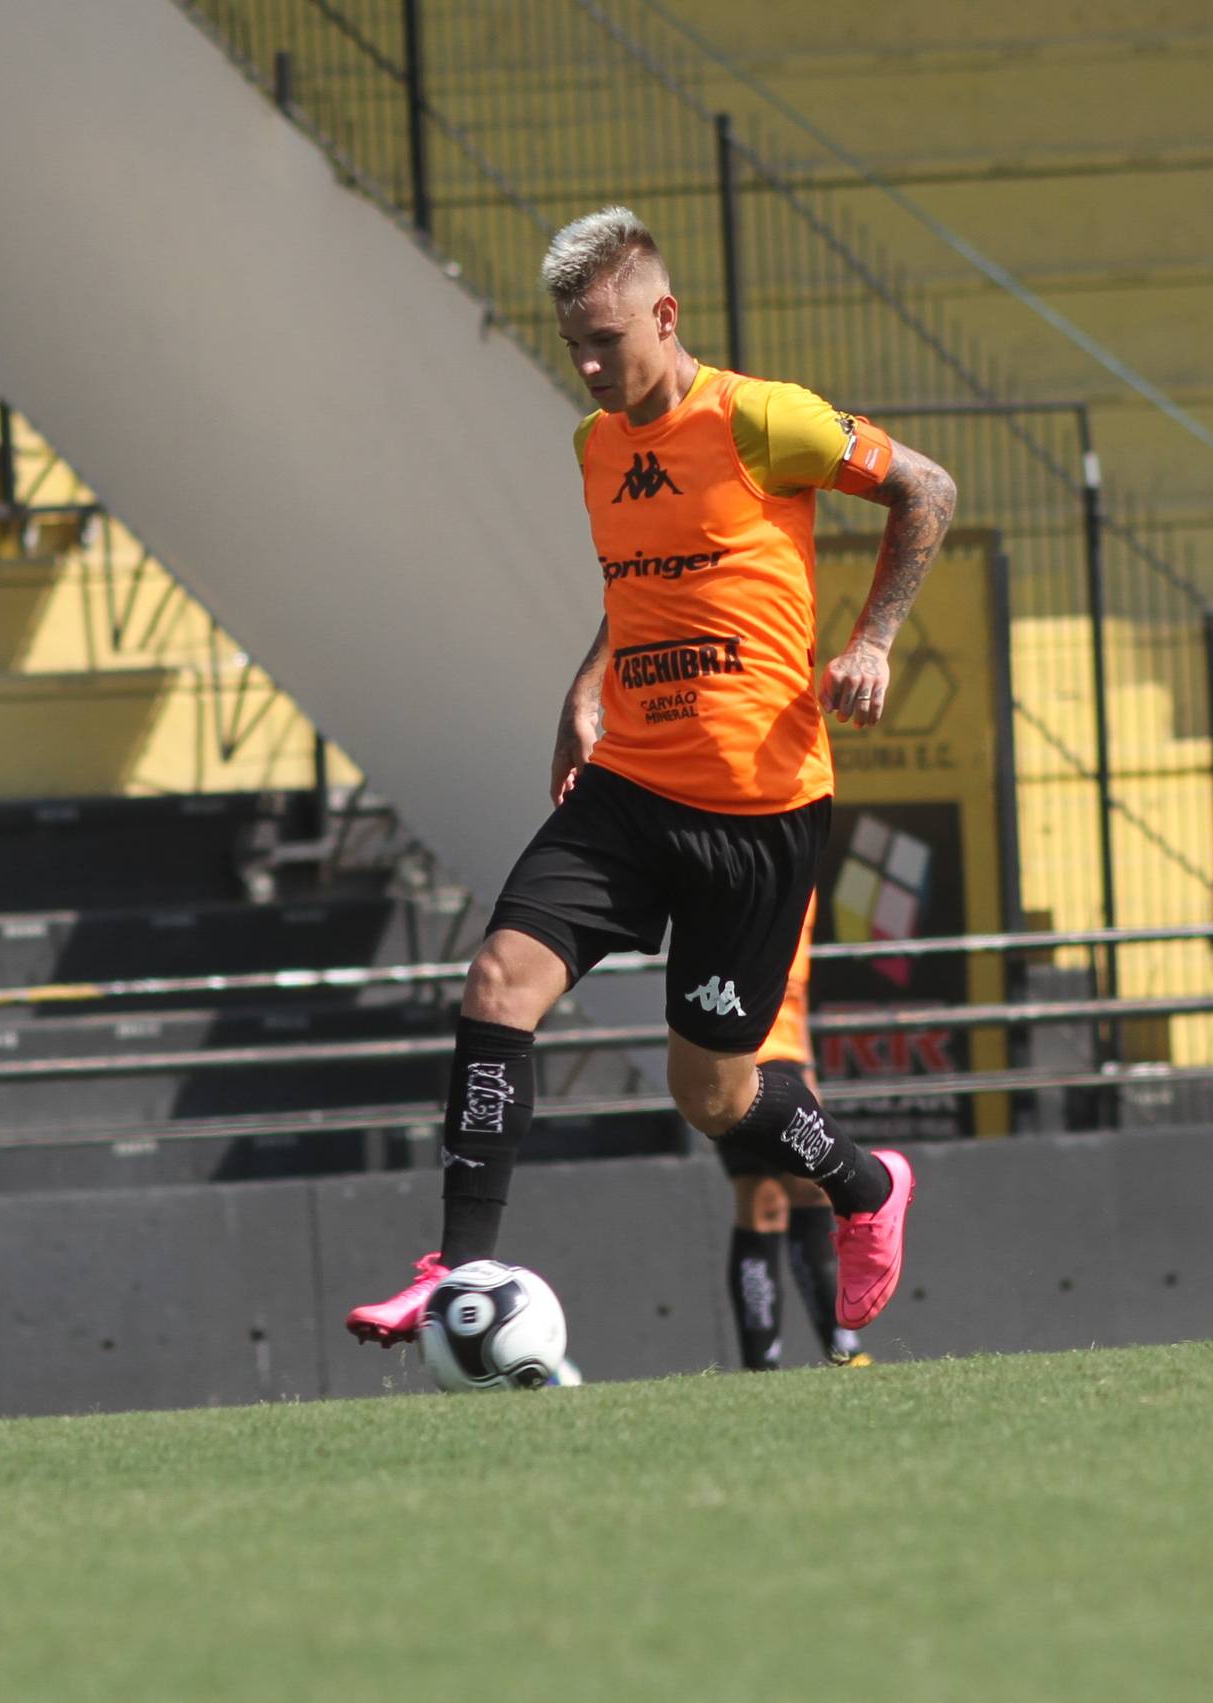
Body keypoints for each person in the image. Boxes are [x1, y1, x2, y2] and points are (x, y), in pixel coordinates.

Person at [347, 206, 958, 1351]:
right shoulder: (597, 446)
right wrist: (587, 687)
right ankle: (457, 1270)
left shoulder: (763, 418)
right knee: (495, 983)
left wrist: (874, 639)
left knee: (716, 1097)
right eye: (572, 342)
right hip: (631, 784)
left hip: (759, 811)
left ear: (664, 316)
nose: (586, 365)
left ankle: (867, 1186)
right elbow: (642, 590)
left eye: (605, 340)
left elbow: (929, 488)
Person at [723, 899, 870, 1369]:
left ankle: (842, 1348)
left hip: (788, 1057)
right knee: (762, 1201)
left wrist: (810, 1075)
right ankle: (760, 1361)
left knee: (813, 1195)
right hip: (736, 1053)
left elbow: (796, 995)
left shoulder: (803, 889)